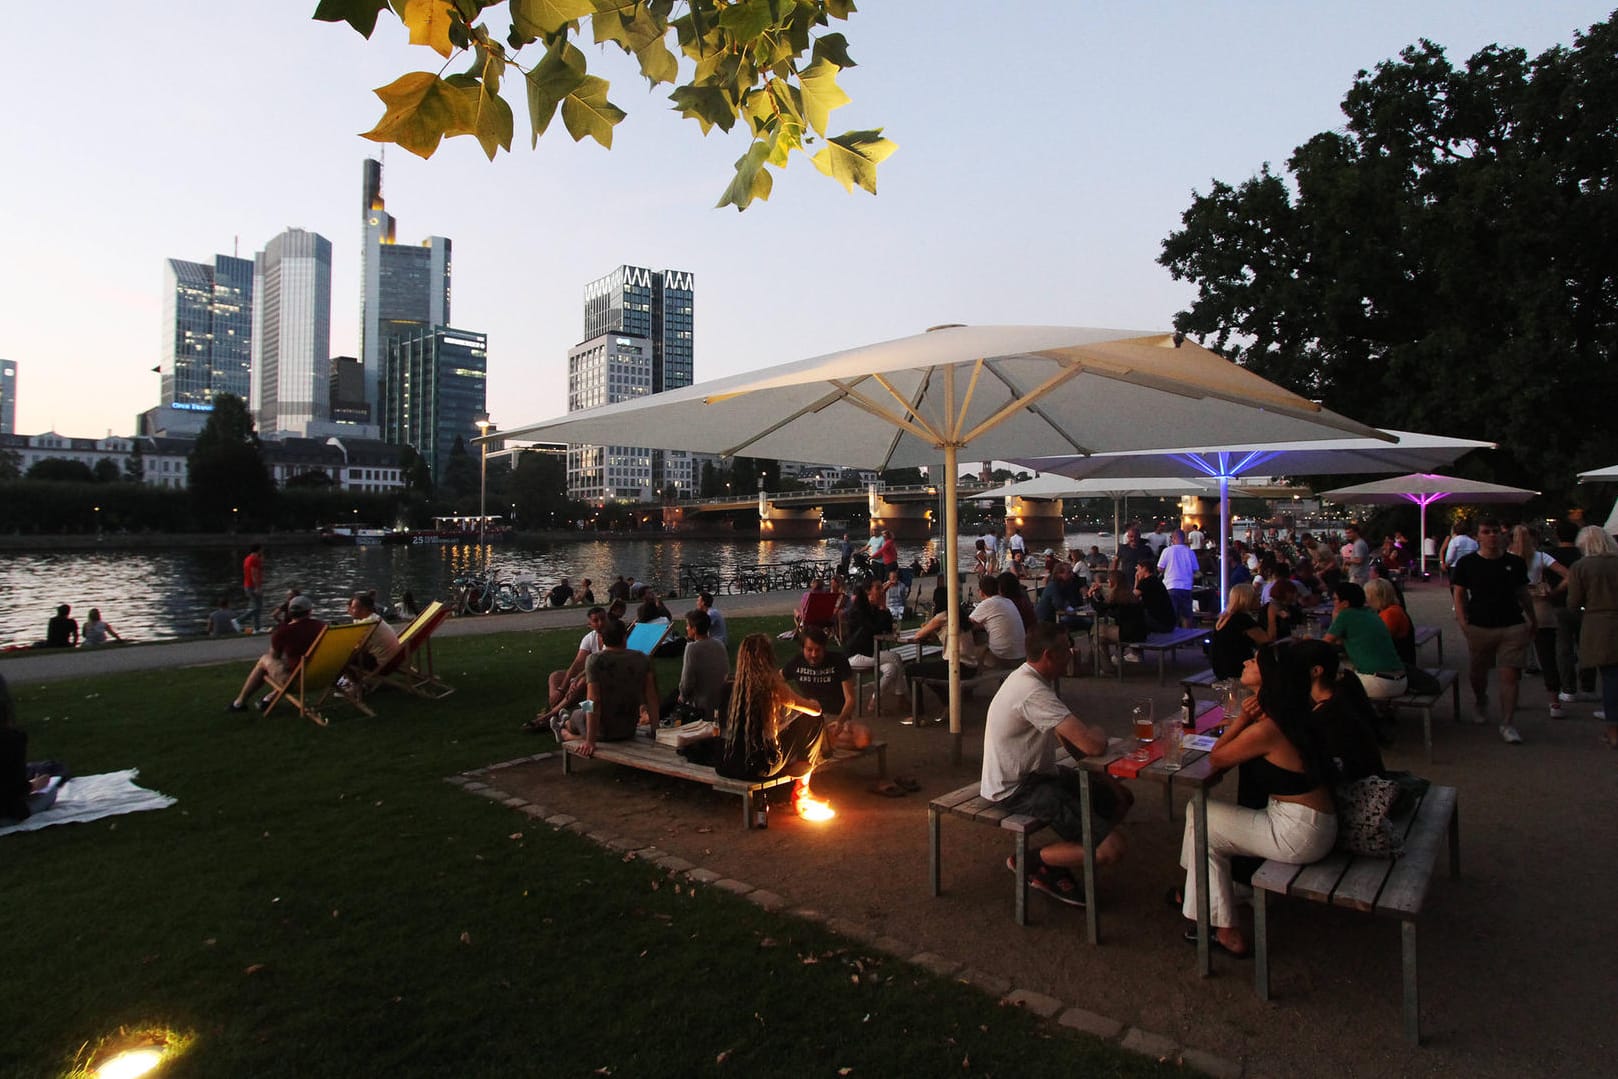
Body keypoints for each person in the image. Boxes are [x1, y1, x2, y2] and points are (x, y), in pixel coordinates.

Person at [1177, 642, 1337, 957]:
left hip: (1298, 831)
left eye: (1255, 660)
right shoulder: (1295, 711)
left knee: (1200, 817)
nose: (1246, 660)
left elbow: (1219, 758)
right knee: (1202, 820)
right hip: (1314, 822)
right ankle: (1210, 912)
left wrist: (1240, 720)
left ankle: (1223, 927)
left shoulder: (1269, 727)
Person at [981, 624, 1132, 906]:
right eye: (1067, 650)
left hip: (1038, 774)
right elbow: (1093, 745)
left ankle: (1076, 845)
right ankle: (1032, 862)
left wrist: (1104, 779)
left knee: (1118, 799)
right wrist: (1097, 731)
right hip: (1016, 788)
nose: (1072, 654)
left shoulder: (1031, 680)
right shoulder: (1031, 691)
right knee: (1113, 848)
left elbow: (1066, 736)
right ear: (1049, 655)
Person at [1451, 516, 1536, 743]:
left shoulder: (1515, 563)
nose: (1491, 536)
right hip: (1480, 625)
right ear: (1477, 536)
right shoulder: (1467, 563)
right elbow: (1459, 593)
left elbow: (1523, 593)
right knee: (1478, 673)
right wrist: (1462, 621)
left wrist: (1532, 618)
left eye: (1495, 531)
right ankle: (1480, 700)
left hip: (1512, 624)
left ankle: (1508, 722)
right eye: (1486, 532)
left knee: (1509, 674)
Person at [712, 634, 826, 787]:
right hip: (759, 766)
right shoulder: (771, 688)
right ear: (769, 658)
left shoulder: (728, 687)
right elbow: (815, 710)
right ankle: (804, 774)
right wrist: (812, 703)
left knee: (779, 731)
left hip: (726, 764)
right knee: (813, 719)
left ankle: (796, 767)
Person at [557, 618, 659, 756]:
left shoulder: (596, 660)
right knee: (583, 709)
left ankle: (565, 731)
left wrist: (590, 741)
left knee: (578, 713)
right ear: (625, 637)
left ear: (603, 640)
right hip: (628, 727)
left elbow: (593, 700)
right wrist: (655, 730)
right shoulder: (642, 659)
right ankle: (566, 722)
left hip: (603, 730)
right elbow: (651, 697)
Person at [1509, 524, 1571, 717]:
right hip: (1540, 605)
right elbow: (1568, 575)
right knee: (1547, 655)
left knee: (1514, 657)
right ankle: (1553, 702)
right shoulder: (1541, 557)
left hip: (1515, 609)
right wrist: (1555, 592)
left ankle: (1513, 698)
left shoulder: (1507, 558)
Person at [226, 595, 326, 712]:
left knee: (265, 660)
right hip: (323, 675)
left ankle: (239, 703)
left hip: (298, 681)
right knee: (294, 667)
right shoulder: (322, 626)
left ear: (289, 612)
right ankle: (268, 699)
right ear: (310, 611)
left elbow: (274, 657)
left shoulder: (283, 632)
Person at [1566, 525, 1618, 749]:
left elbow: (1573, 603)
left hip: (1599, 626)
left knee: (1610, 679)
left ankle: (1613, 731)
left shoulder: (1581, 567)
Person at [1, 674, 69, 823]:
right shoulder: (12, 739)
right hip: (6, 812)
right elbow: (13, 789)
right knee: (50, 789)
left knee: (37, 769)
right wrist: (34, 785)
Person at [1322, 582, 1407, 701]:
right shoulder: (1371, 613)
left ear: (1345, 603)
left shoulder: (1346, 615)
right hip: (1401, 681)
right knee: (1345, 668)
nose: (1333, 602)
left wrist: (1335, 617)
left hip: (1378, 683)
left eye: (1335, 599)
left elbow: (1322, 646)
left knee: (1326, 684)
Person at [529, 606, 607, 733]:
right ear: (590, 624)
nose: (600, 623)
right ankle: (556, 711)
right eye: (596, 620)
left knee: (582, 681)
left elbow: (597, 665)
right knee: (555, 676)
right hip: (590, 674)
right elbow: (578, 663)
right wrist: (561, 689)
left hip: (601, 678)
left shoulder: (612, 637)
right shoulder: (590, 638)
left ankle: (549, 716)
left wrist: (575, 679)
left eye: (603, 619)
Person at [783, 626, 864, 747]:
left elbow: (850, 699)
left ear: (824, 648)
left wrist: (840, 721)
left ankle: (821, 742)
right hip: (809, 719)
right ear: (802, 648)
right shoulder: (796, 662)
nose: (814, 654)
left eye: (818, 650)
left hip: (835, 718)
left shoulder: (838, 661)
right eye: (809, 650)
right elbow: (776, 681)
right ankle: (820, 742)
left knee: (863, 738)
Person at [1548, 518, 1599, 706]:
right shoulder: (1583, 555)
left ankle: (1568, 688)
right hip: (1585, 605)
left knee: (1563, 648)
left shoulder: (1550, 555)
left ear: (1556, 535)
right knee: (1586, 646)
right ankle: (1588, 686)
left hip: (1559, 605)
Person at [844, 579, 903, 711]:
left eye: (881, 588)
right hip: (857, 655)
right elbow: (874, 629)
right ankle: (901, 698)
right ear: (868, 592)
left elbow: (886, 628)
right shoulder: (859, 610)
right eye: (878, 588)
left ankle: (874, 700)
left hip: (871, 652)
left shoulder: (873, 608)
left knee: (891, 669)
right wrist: (882, 609)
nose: (882, 591)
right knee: (896, 657)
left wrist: (883, 607)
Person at [663, 609, 729, 721]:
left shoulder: (692, 648)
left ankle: (653, 722)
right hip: (721, 699)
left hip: (702, 704)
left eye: (688, 626)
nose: (686, 629)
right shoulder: (719, 644)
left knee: (672, 698)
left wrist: (682, 697)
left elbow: (687, 682)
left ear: (694, 629)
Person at [1089, 569, 1149, 673]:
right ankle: (1103, 665)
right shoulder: (1129, 595)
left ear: (1112, 582)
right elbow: (1107, 606)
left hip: (1127, 633)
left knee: (1096, 631)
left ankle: (1106, 668)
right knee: (1099, 636)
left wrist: (1090, 596)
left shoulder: (1117, 596)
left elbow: (1101, 610)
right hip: (1140, 632)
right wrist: (1099, 596)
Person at [1209, 584, 1269, 679]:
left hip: (1220, 667)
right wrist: (1272, 616)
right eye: (1255, 597)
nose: (1259, 599)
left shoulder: (1224, 617)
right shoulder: (1242, 619)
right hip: (1236, 668)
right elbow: (1266, 641)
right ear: (1247, 600)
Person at [969, 574, 1027, 667]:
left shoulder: (987, 603)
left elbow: (967, 624)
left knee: (970, 649)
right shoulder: (1008, 601)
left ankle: (978, 675)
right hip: (1022, 655)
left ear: (981, 592)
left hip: (1003, 658)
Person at [1363, 577, 1416, 667]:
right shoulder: (1388, 610)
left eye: (1367, 595)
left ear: (1375, 596)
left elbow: (1377, 641)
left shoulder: (1391, 613)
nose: (1365, 599)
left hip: (1398, 666)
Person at [346, 592, 402, 671]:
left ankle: (356, 682)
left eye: (353, 608)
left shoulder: (367, 624)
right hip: (392, 661)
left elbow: (352, 645)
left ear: (364, 609)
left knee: (342, 658)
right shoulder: (374, 618)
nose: (350, 610)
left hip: (383, 665)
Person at [1157, 528, 1200, 627]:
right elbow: (1195, 569)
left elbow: (1160, 568)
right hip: (1186, 587)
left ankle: (1174, 637)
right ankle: (1187, 638)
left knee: (1172, 615)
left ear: (1174, 538)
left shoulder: (1167, 551)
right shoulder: (1190, 552)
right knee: (1186, 616)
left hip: (1171, 586)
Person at [1133, 562, 1175, 634]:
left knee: (1134, 614)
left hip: (1160, 624)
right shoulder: (1157, 580)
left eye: (1138, 569)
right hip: (1169, 623)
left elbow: (1132, 597)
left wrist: (1136, 580)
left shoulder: (1146, 582)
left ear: (1144, 569)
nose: (1137, 572)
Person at [241, 543, 264, 633]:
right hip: (253, 586)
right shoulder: (254, 559)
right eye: (261, 550)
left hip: (247, 585)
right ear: (258, 550)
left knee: (256, 607)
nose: (262, 551)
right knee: (258, 607)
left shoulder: (247, 559)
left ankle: (257, 628)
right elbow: (254, 573)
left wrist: (261, 559)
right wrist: (257, 587)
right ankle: (239, 620)